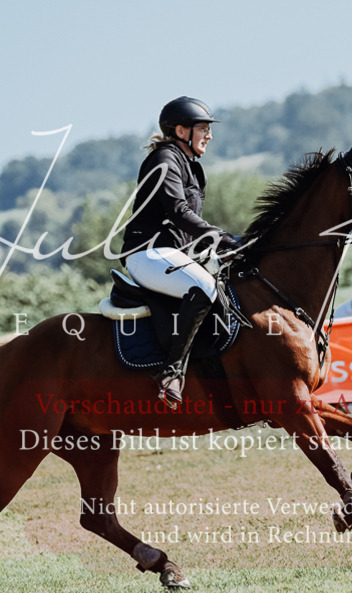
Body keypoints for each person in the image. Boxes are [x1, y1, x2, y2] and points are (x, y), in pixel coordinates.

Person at [120, 97, 239, 409]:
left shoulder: (191, 167)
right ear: (181, 130)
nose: (209, 135)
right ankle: (172, 372)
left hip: (173, 253)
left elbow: (186, 230)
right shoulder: (164, 159)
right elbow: (178, 211)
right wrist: (221, 236)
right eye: (203, 128)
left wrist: (225, 245)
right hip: (147, 253)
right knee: (203, 287)